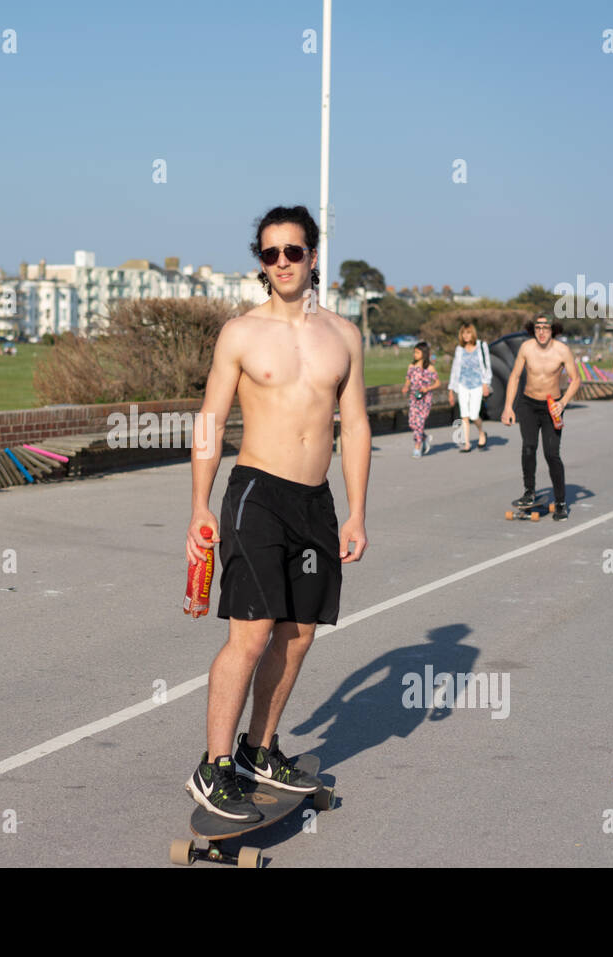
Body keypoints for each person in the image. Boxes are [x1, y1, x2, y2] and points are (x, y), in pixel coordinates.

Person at [185, 204, 369, 821]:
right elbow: (210, 422)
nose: (283, 262)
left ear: (313, 256)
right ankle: (213, 767)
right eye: (270, 253)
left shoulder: (344, 335)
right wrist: (198, 506)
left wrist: (356, 513)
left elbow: (359, 427)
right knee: (253, 631)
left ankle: (258, 750)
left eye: (293, 251)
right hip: (256, 494)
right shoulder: (240, 332)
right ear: (261, 262)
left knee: (298, 633)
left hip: (316, 502)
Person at [501, 317, 579, 520]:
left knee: (552, 454)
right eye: (538, 328)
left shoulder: (562, 350)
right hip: (527, 404)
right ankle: (529, 492)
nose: (541, 331)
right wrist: (508, 407)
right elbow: (515, 376)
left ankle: (561, 501)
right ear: (532, 330)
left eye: (545, 328)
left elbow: (576, 379)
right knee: (528, 447)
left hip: (552, 406)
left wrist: (563, 402)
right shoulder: (526, 348)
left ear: (553, 330)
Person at [446, 322, 491, 451]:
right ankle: (467, 443)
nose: (465, 336)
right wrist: (451, 390)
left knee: (473, 415)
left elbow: (487, 366)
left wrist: (485, 384)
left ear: (473, 333)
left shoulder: (481, 346)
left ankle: (481, 432)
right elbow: (455, 369)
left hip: (477, 384)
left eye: (468, 332)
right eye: (463, 333)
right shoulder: (459, 349)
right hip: (462, 384)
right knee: (464, 415)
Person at [401, 341, 441, 457]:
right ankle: (424, 437)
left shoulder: (430, 368)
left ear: (424, 353)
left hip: (425, 399)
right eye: (414, 352)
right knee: (412, 423)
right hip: (414, 397)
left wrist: (428, 388)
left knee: (419, 422)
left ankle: (417, 447)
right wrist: (405, 387)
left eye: (417, 352)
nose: (415, 354)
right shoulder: (411, 367)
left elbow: (438, 383)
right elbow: (408, 380)